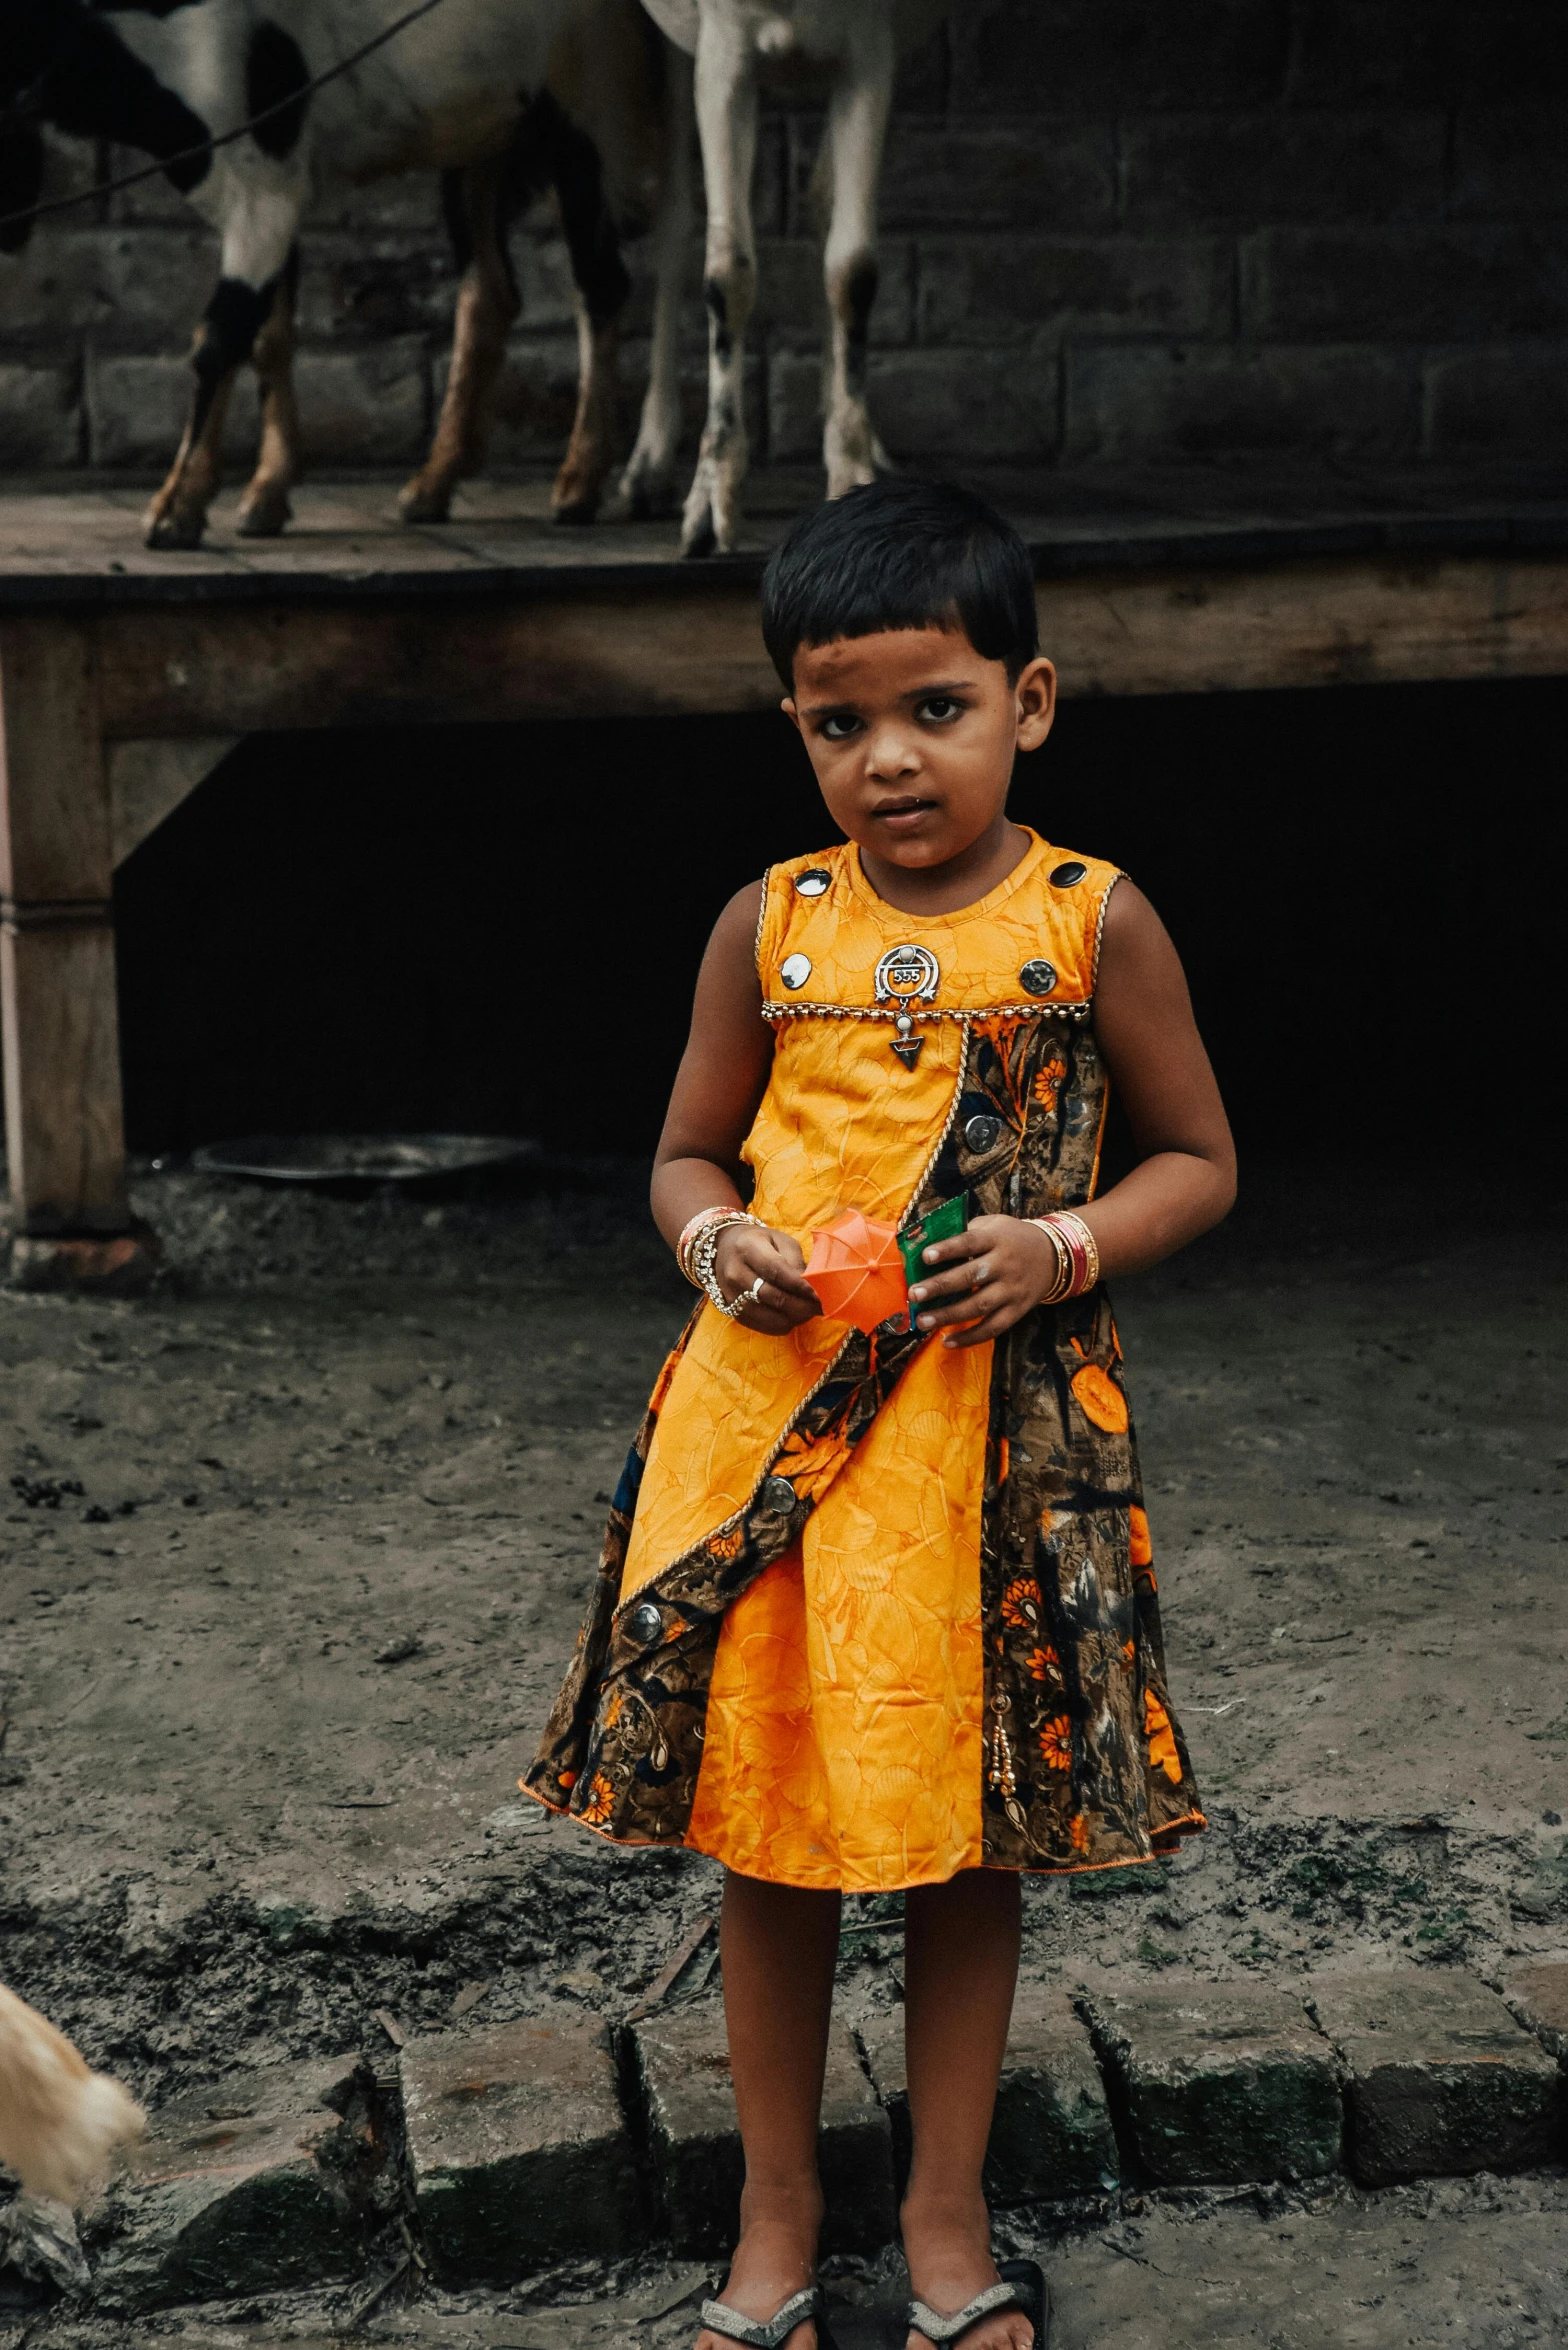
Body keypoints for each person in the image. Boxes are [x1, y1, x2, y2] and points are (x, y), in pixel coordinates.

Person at [524, 478, 1235, 2350]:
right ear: (795, 731)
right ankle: (773, 2222)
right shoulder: (770, 926)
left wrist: (1064, 1244)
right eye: (841, 724)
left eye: (938, 709)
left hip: (990, 1462)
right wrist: (721, 1244)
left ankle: (940, 2216)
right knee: (771, 1825)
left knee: (962, 1826)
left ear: (1035, 702)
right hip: (770, 1448)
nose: (892, 760)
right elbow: (684, 1153)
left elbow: (1202, 1160)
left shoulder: (1092, 923)